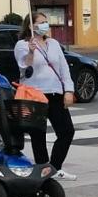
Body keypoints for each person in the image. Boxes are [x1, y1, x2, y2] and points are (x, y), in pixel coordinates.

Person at [16, 12, 77, 180]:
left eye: (46, 22)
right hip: (35, 94)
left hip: (55, 92)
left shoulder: (54, 43)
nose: (45, 25)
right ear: (31, 26)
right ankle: (43, 169)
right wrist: (30, 51)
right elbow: (24, 67)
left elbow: (64, 68)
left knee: (66, 131)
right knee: (38, 135)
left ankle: (55, 167)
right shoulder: (22, 44)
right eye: (41, 22)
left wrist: (69, 90)